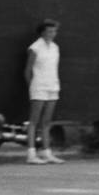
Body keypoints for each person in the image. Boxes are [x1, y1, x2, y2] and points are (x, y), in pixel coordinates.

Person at [24, 19, 65, 164]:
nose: (52, 34)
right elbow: (27, 70)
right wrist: (32, 87)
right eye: (49, 31)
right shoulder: (34, 48)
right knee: (34, 121)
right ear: (42, 33)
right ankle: (31, 154)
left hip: (53, 86)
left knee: (47, 121)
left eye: (54, 31)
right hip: (38, 87)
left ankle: (46, 152)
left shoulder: (55, 47)